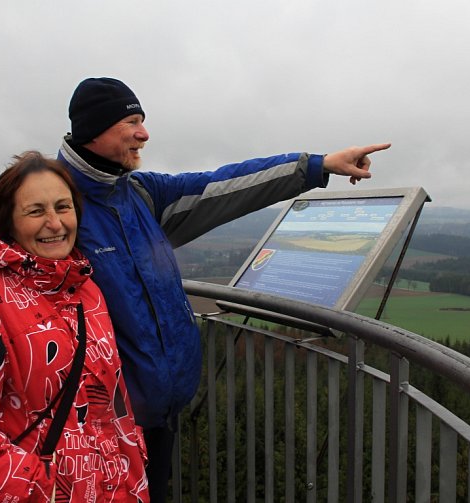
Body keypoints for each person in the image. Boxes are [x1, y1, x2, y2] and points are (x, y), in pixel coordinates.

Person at [57, 76, 391, 502]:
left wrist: (318, 165)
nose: (144, 133)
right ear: (94, 129)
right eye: (132, 122)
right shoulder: (58, 204)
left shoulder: (138, 193)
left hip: (159, 414)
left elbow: (223, 183)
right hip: (96, 425)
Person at [0, 152, 150, 502]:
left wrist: (132, 470)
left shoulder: (86, 290)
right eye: (36, 211)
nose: (55, 223)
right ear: (8, 222)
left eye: (63, 207)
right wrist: (37, 490)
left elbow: (110, 400)